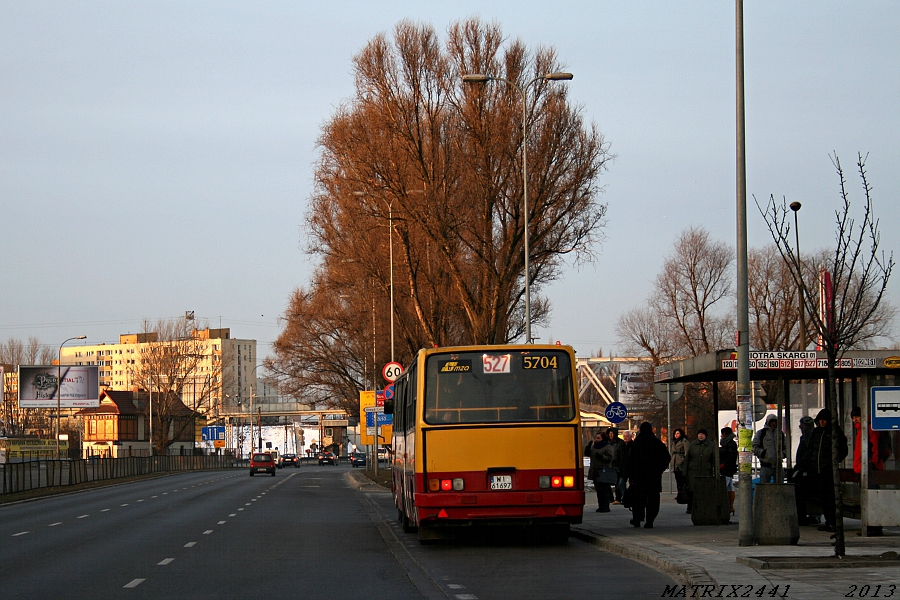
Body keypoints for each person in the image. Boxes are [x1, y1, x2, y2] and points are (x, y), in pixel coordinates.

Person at [808, 408, 848, 532]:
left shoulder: (835, 432)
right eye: (820, 420)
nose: (822, 422)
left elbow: (843, 450)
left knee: (830, 497)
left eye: (824, 420)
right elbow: (811, 449)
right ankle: (828, 521)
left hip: (829, 471)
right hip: (818, 470)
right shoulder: (817, 432)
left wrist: (834, 461)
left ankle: (833, 522)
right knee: (823, 498)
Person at [626, 421, 671, 528]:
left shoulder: (637, 443)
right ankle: (650, 521)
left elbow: (631, 460)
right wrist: (659, 469)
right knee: (653, 499)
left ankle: (637, 519)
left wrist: (631, 476)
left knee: (638, 499)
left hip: (639, 476)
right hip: (653, 477)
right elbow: (667, 457)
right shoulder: (657, 442)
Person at [851, 406, 886, 536]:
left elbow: (874, 448)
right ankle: (871, 526)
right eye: (853, 418)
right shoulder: (862, 429)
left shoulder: (869, 429)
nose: (854, 420)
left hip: (869, 467)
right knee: (868, 498)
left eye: (856, 417)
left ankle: (874, 527)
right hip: (864, 467)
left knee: (871, 498)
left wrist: (872, 464)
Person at [682, 428, 717, 516]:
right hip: (693, 471)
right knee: (692, 490)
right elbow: (687, 459)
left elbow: (714, 460)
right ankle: (691, 508)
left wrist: (715, 473)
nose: (700, 436)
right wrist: (684, 472)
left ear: (706, 435)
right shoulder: (693, 445)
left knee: (704, 491)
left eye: (702, 434)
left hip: (705, 471)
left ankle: (704, 508)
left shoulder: (711, 445)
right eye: (699, 434)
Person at [792, 416, 817, 525]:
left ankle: (802, 516)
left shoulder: (809, 437)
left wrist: (801, 465)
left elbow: (808, 454)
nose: (800, 426)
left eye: (802, 424)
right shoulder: (806, 436)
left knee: (800, 493)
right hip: (805, 469)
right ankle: (804, 516)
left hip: (807, 471)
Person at [586, 431, 615, 512]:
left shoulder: (607, 446)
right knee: (598, 490)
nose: (597, 439)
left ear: (603, 438)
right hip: (595, 471)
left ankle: (605, 506)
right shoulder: (594, 446)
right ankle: (600, 505)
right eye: (596, 438)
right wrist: (587, 448)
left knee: (604, 490)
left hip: (603, 471)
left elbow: (610, 458)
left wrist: (602, 457)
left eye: (599, 438)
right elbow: (589, 454)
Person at [752, 414, 786, 483]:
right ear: (768, 422)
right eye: (772, 422)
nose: (773, 423)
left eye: (775, 422)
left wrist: (783, 454)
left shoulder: (780, 434)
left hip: (778, 466)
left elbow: (786, 446)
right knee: (764, 487)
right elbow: (754, 447)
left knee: (780, 487)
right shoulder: (761, 433)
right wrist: (762, 453)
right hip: (766, 465)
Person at [719, 427, 738, 515]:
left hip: (727, 468)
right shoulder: (729, 443)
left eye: (722, 434)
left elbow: (731, 456)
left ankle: (727, 506)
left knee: (725, 486)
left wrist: (724, 464)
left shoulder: (730, 444)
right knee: (730, 486)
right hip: (728, 468)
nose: (721, 436)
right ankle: (730, 506)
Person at [671, 428, 690, 512]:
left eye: (678, 433)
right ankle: (680, 494)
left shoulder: (684, 441)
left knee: (683, 482)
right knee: (678, 481)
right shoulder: (674, 442)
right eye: (675, 433)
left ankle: (683, 496)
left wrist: (685, 462)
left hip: (681, 462)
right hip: (675, 463)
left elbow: (687, 452)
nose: (676, 435)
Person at [608, 428, 627, 504]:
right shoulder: (608, 443)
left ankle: (618, 498)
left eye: (612, 433)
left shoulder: (620, 443)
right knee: (608, 483)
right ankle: (611, 498)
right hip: (610, 465)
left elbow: (621, 456)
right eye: (609, 433)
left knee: (618, 483)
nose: (610, 435)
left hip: (617, 465)